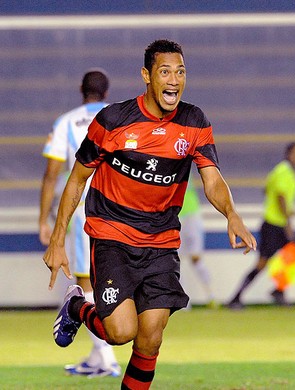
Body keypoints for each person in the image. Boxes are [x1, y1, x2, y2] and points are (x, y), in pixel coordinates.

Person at [43, 39, 256, 389]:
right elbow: (77, 178)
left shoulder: (194, 120)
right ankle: (77, 306)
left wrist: (231, 213)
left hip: (161, 242)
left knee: (150, 338)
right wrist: (57, 239)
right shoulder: (113, 120)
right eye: (165, 71)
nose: (174, 80)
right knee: (120, 332)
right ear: (147, 75)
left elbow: (212, 178)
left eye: (180, 72)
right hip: (113, 236)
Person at [39, 69, 120, 378]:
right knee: (111, 278)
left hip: (87, 209)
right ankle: (100, 356)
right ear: (107, 91)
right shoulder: (120, 116)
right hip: (123, 209)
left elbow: (52, 174)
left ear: (81, 90)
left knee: (86, 283)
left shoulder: (66, 122)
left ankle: (106, 356)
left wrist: (44, 219)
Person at [227, 142, 295, 309]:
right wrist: (287, 219)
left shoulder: (281, 171)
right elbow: (280, 197)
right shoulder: (284, 171)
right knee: (262, 263)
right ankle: (236, 298)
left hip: (276, 223)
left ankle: (279, 290)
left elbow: (267, 189)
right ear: (288, 153)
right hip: (274, 225)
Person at [178, 174, 218, 309]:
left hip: (191, 216)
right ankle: (184, 303)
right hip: (175, 217)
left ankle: (212, 295)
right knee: (175, 261)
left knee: (196, 259)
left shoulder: (181, 164)